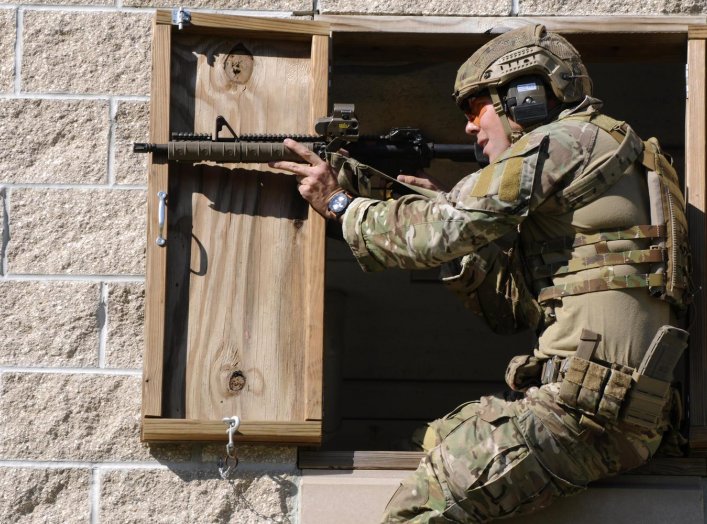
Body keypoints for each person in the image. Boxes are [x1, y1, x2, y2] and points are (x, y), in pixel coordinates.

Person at [271, 24, 690, 523]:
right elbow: (509, 309)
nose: (469, 128)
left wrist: (341, 204)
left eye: (475, 108)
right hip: (618, 416)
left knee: (414, 512)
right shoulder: (619, 154)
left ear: (526, 97)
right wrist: (429, 206)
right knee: (432, 443)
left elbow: (443, 232)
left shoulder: (565, 141)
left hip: (580, 415)